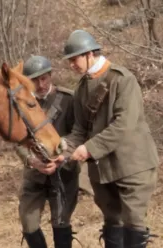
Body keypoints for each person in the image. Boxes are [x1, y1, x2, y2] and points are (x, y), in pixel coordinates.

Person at [50, 29, 159, 248]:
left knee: (133, 224)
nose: (71, 64)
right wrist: (63, 149)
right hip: (103, 170)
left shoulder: (123, 79)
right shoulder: (81, 88)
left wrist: (88, 149)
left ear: (90, 53)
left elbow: (123, 125)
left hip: (132, 165)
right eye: (69, 60)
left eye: (75, 59)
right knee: (112, 222)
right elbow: (80, 129)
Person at [16, 55, 79, 248]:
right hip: (35, 174)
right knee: (28, 223)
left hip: (63, 173)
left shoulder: (68, 100)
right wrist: (31, 160)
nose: (41, 84)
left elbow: (79, 133)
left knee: (60, 222)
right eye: (35, 80)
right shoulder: (21, 104)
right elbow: (18, 140)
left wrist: (63, 157)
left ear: (50, 75)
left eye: (44, 78)